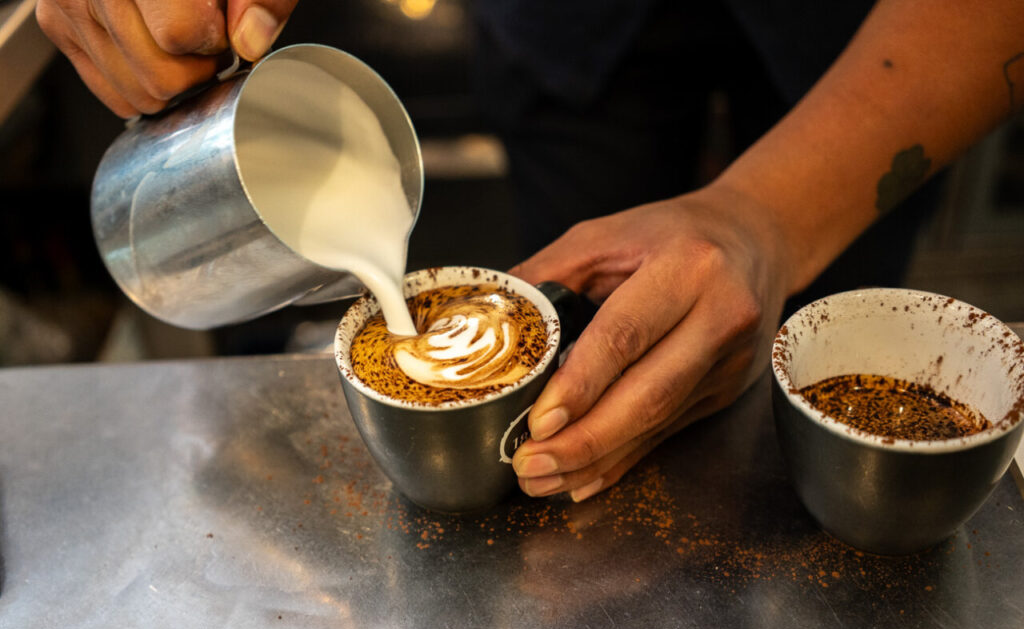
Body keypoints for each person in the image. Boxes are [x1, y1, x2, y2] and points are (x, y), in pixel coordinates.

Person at [37, 0, 1024, 503]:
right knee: (590, 313)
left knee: (804, 364)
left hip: (878, 50)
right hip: (571, 27)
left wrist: (773, 221)